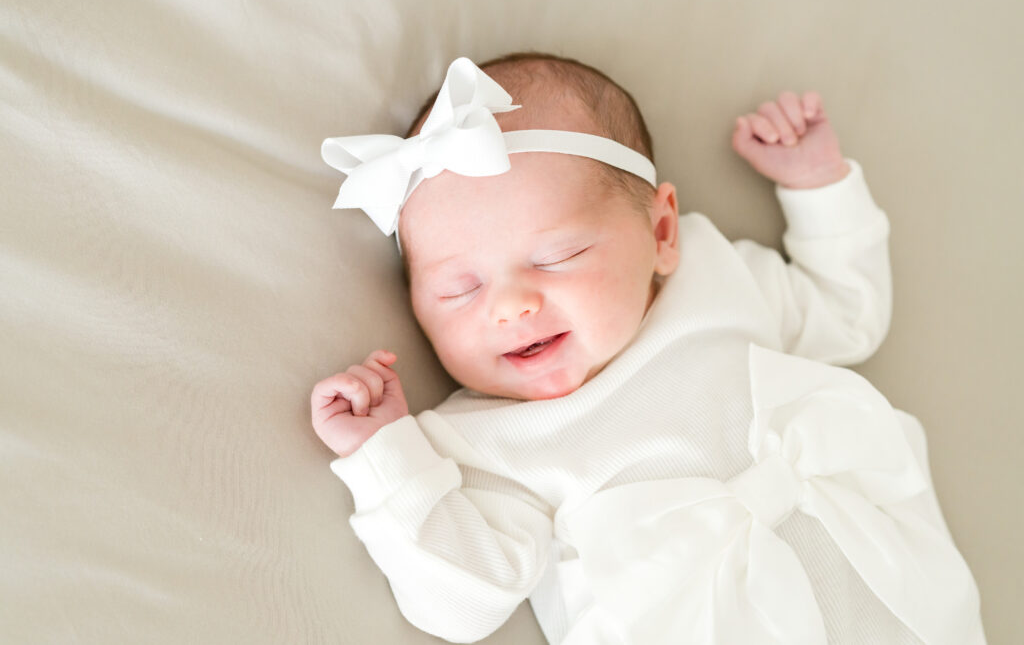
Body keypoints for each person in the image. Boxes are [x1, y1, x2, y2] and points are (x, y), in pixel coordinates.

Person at [311, 53, 985, 644]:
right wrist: (386, 458)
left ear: (662, 231)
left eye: (559, 255)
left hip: (894, 600)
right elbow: (462, 605)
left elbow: (848, 316)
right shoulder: (484, 440)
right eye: (460, 290)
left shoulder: (715, 278)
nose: (511, 304)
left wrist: (820, 186)